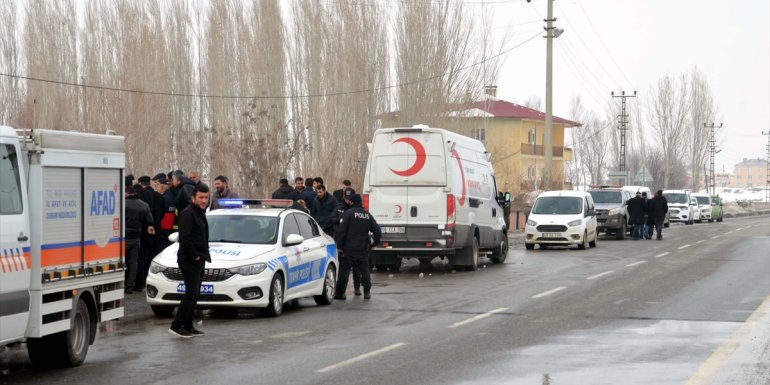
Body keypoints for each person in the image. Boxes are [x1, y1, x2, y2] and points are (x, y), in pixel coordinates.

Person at [169, 184, 210, 338]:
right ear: (193, 198)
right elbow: (184, 238)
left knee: (195, 293)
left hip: (199, 258)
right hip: (189, 259)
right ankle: (176, 325)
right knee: (191, 292)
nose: (204, 200)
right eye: (201, 197)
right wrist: (195, 255)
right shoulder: (188, 213)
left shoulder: (199, 213)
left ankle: (188, 325)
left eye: (206, 197)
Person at [334, 192, 381, 300]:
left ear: (352, 202)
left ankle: (340, 293)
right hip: (363, 248)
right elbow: (377, 232)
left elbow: (341, 232)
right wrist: (373, 244)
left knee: (344, 272)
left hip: (348, 248)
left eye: (350, 201)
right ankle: (367, 292)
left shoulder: (348, 214)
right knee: (364, 270)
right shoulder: (367, 215)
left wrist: (339, 246)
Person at [124, 185, 155, 294]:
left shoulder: (123, 204)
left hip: (123, 238)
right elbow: (150, 221)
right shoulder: (144, 205)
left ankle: (122, 283)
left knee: (122, 262)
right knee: (134, 262)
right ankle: (130, 286)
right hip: (136, 237)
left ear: (127, 193)